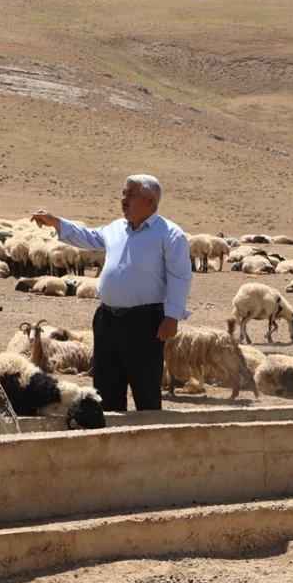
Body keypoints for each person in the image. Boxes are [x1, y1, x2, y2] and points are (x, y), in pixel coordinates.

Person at [31, 174, 192, 412]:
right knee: (106, 387)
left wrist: (172, 316)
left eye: (130, 194)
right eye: (123, 193)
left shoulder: (169, 234)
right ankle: (111, 440)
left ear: (149, 201)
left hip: (145, 322)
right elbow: (89, 236)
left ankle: (149, 441)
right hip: (107, 320)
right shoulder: (117, 228)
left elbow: (180, 276)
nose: (123, 199)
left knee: (145, 388)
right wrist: (56, 222)